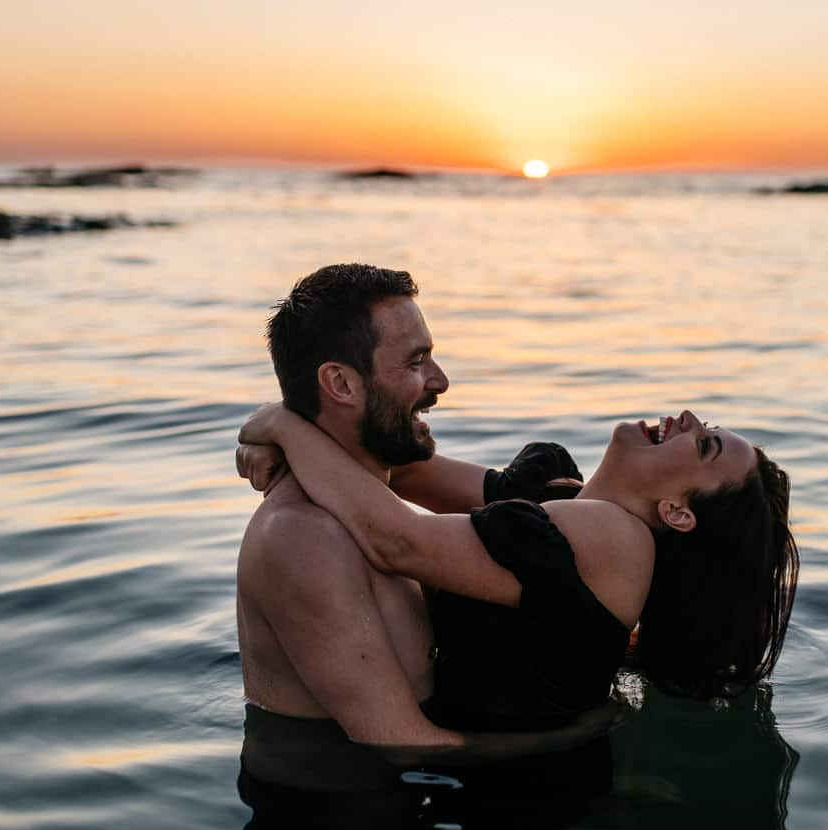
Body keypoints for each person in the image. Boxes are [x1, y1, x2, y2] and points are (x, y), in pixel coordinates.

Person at [237, 401, 799, 732]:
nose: (688, 417)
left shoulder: (616, 540)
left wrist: (285, 427)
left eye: (704, 446)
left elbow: (396, 542)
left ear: (676, 513)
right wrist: (296, 445)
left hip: (518, 811)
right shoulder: (555, 493)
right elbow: (396, 472)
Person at [237, 263, 594, 756]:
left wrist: (277, 428)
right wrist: (583, 735)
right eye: (416, 362)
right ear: (341, 384)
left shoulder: (373, 494)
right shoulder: (304, 537)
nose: (440, 381)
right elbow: (402, 744)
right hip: (339, 818)